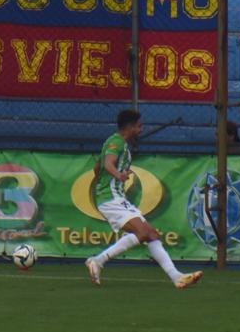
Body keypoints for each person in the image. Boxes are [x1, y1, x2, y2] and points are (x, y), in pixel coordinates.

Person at [85, 110, 203, 289]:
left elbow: (97, 167)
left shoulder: (117, 142)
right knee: (143, 233)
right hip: (110, 198)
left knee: (152, 234)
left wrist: (111, 177)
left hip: (116, 197)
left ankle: (177, 277)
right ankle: (98, 260)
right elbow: (107, 164)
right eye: (139, 126)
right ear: (130, 126)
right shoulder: (116, 142)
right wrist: (119, 176)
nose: (141, 129)